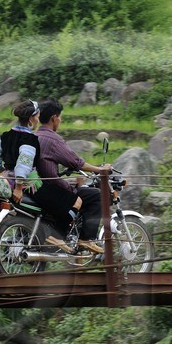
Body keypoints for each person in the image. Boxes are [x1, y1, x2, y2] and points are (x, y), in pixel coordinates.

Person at [0, 100, 81, 247]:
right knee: (76, 201)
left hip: (8, 180)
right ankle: (58, 236)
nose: (38, 120)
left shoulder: (4, 136)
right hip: (32, 186)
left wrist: (6, 173)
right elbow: (23, 165)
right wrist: (18, 187)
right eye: (37, 116)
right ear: (31, 119)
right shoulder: (30, 139)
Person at [36, 100, 103, 249]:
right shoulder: (52, 139)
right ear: (54, 118)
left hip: (38, 187)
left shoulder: (35, 136)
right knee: (95, 195)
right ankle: (85, 239)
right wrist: (100, 170)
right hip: (51, 188)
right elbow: (75, 162)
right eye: (60, 118)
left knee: (75, 188)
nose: (60, 121)